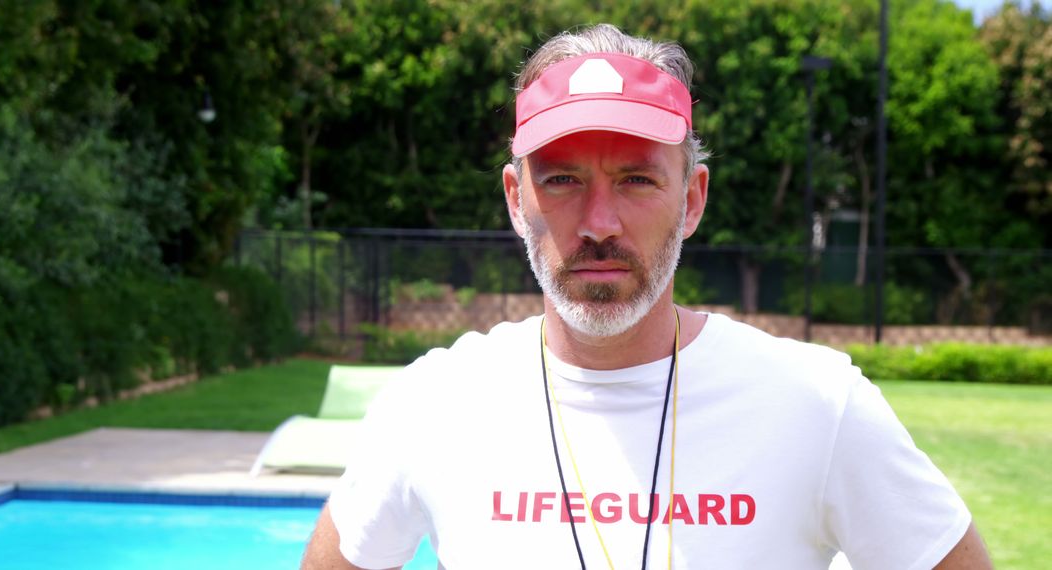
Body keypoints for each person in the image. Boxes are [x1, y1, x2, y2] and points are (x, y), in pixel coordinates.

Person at [302, 24, 992, 569]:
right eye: (564, 181)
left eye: (636, 180)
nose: (599, 224)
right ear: (517, 200)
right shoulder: (436, 403)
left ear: (691, 200)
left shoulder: (817, 403)